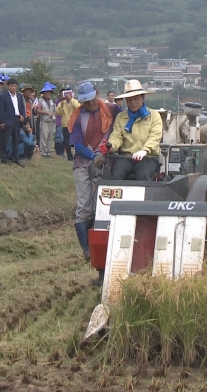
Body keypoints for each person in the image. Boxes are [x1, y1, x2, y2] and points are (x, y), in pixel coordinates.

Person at [69, 82, 122, 285]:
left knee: (102, 209)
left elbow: (122, 129)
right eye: (85, 101)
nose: (90, 104)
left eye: (92, 99)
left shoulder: (112, 109)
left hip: (109, 163)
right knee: (84, 206)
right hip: (84, 162)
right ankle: (86, 248)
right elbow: (77, 145)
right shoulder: (77, 117)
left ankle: (103, 256)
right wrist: (93, 156)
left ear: (97, 95)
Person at [107, 80, 162, 181]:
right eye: (129, 99)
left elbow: (155, 137)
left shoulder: (154, 116)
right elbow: (116, 137)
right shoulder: (120, 117)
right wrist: (110, 146)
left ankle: (145, 197)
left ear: (143, 97)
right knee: (116, 175)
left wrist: (144, 150)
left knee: (143, 176)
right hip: (126, 157)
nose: (132, 102)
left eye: (136, 98)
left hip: (147, 157)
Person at [0, 78, 26, 167]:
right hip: (7, 120)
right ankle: (4, 157)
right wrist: (2, 122)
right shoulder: (3, 96)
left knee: (16, 139)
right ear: (8, 86)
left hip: (17, 119)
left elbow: (22, 107)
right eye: (11, 86)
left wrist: (22, 116)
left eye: (14, 86)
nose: (13, 88)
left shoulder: (19, 96)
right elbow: (1, 110)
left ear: (16, 86)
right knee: (5, 140)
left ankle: (16, 157)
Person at [56, 89, 80, 161]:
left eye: (68, 94)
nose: (66, 96)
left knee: (76, 140)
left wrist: (71, 101)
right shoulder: (62, 103)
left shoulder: (75, 101)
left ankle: (77, 155)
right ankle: (70, 157)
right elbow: (58, 112)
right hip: (65, 124)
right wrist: (61, 106)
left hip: (74, 123)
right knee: (67, 140)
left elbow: (78, 108)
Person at [36, 82, 57, 157]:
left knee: (50, 137)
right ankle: (43, 151)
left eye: (49, 92)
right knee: (44, 136)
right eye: (46, 92)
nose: (48, 94)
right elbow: (38, 110)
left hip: (51, 121)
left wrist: (54, 115)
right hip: (44, 120)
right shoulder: (40, 101)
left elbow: (55, 110)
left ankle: (48, 151)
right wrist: (47, 112)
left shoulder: (51, 101)